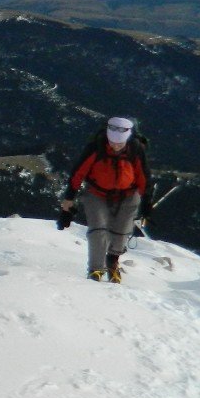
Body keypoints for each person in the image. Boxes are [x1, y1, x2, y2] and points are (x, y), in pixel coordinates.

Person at [59, 116, 153, 282]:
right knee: (98, 230)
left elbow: (144, 177)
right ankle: (95, 269)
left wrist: (146, 204)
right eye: (113, 143)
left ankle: (112, 261)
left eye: (120, 144)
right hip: (96, 194)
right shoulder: (97, 147)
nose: (116, 146)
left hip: (128, 196)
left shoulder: (135, 149)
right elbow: (78, 173)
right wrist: (68, 199)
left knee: (122, 232)